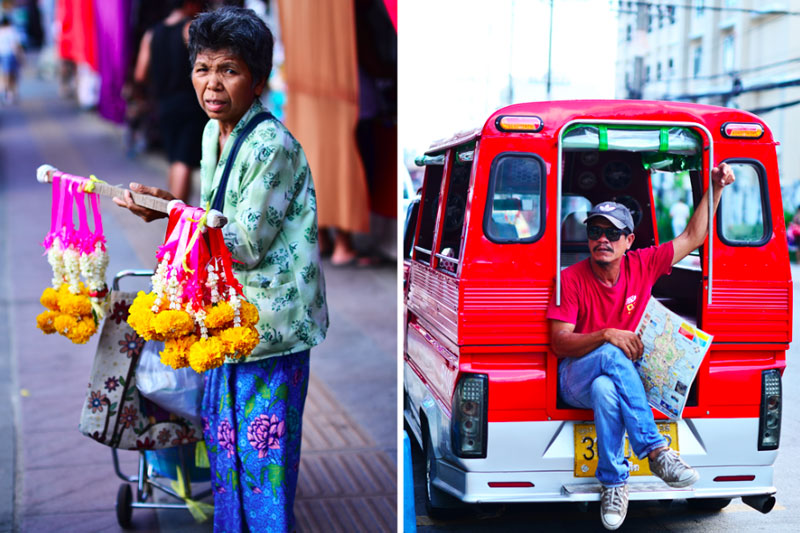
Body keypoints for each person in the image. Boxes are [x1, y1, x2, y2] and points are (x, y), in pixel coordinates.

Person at [114, 7, 328, 531]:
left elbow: (245, 243)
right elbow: (212, 212)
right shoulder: (215, 134)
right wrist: (169, 205)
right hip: (228, 320)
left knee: (263, 461)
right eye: (202, 68)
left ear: (257, 80)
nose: (211, 84)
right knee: (226, 450)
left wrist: (167, 212)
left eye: (228, 70)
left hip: (271, 326)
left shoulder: (270, 145)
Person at [546, 163, 735, 530]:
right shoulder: (570, 278)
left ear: (629, 241)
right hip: (574, 378)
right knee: (611, 354)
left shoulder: (642, 264)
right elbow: (559, 343)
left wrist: (716, 188)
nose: (603, 239)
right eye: (595, 231)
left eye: (613, 233)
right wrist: (606, 334)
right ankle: (656, 451)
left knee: (606, 388)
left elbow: (693, 237)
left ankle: (615, 484)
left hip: (608, 382)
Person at [133, 0, 207, 202]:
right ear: (190, 4)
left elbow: (140, 74)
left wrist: (159, 79)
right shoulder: (189, 29)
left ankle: (172, 212)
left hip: (164, 105)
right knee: (184, 160)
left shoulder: (151, 34)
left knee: (174, 159)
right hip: (190, 105)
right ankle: (178, 216)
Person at [0, 15, 23, 104]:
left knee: (4, 75)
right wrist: (20, 57)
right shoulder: (12, 31)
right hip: (10, 55)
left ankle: (7, 93)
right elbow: (16, 45)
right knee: (11, 75)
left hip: (2, 55)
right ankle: (10, 94)